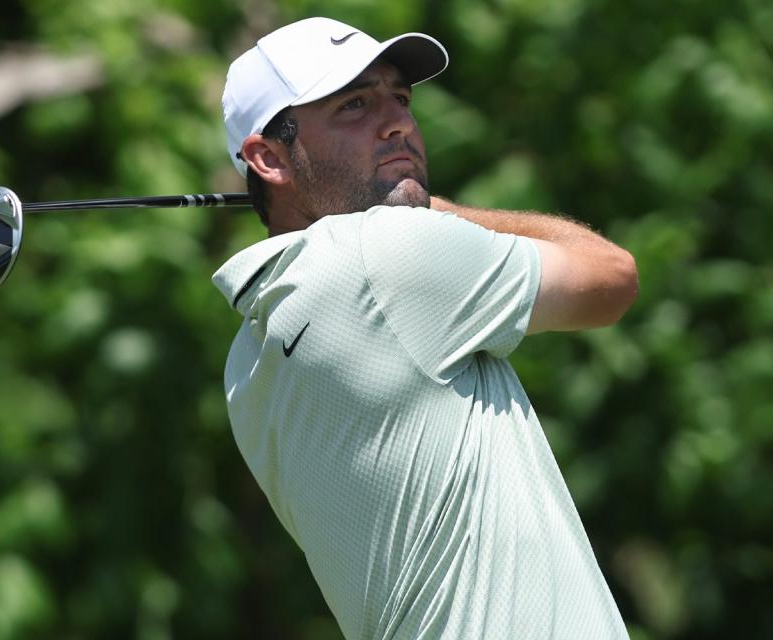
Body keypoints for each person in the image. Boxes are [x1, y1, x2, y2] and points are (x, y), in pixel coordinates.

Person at [212, 16, 638, 639]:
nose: (399, 122)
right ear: (268, 157)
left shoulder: (247, 363)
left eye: (401, 98)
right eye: (354, 105)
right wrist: (438, 208)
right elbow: (613, 278)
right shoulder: (386, 255)